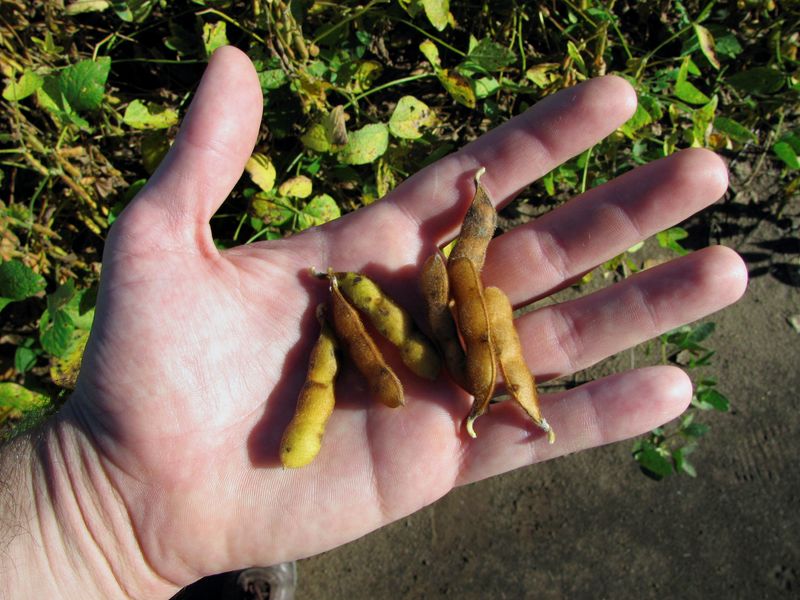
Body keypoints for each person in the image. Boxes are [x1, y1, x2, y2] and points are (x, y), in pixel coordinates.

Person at [0, 46, 747, 598]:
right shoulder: (380, 317)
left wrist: (83, 514)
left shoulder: (448, 310)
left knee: (461, 321)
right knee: (407, 335)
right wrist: (88, 500)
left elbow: (452, 317)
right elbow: (398, 346)